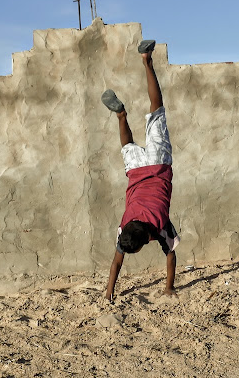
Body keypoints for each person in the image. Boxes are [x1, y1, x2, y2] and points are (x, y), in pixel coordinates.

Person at [101, 39, 179, 302]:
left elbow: (171, 255)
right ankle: (121, 115)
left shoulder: (159, 225)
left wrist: (169, 287)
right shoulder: (125, 223)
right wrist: (109, 290)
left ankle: (146, 60)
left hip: (158, 164)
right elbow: (117, 259)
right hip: (136, 171)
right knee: (128, 146)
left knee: (157, 111)